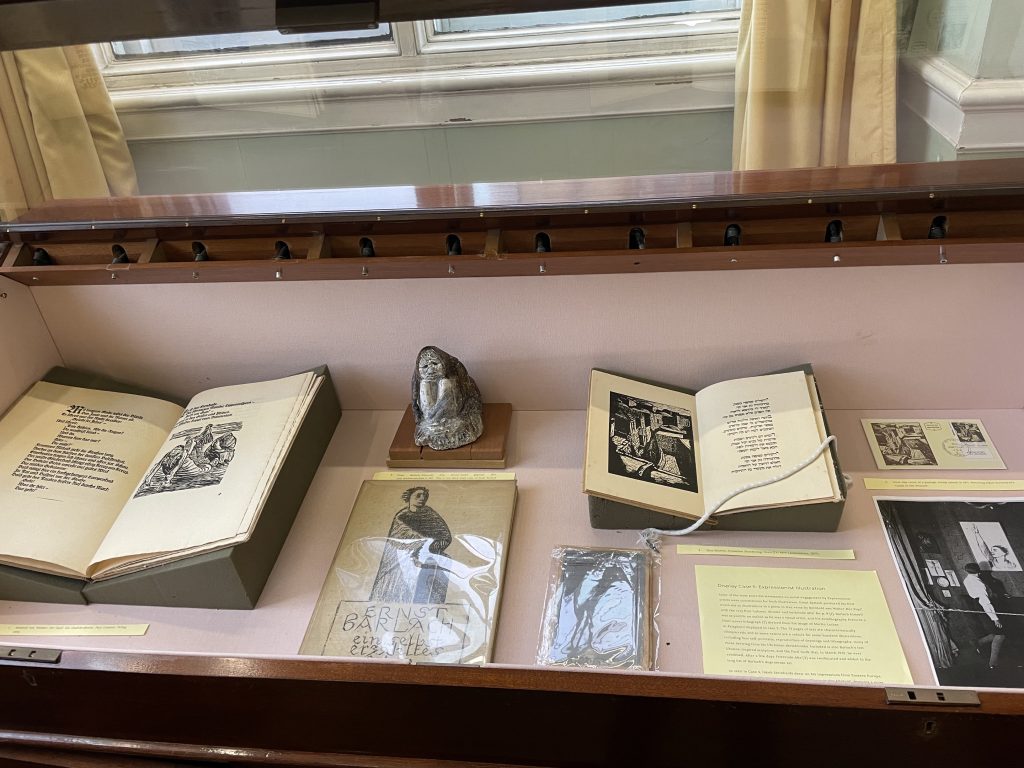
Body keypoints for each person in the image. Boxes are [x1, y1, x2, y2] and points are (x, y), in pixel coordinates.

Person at [369, 486, 453, 605]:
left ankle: (430, 606)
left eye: (424, 496)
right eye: (418, 495)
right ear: (409, 497)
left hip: (428, 552)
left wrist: (428, 549)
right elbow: (399, 537)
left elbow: (445, 536)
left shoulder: (430, 514)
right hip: (402, 552)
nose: (422, 498)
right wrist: (420, 544)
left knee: (444, 561)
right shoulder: (401, 516)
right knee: (406, 567)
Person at [411, 346, 483, 451]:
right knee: (425, 383)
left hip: (451, 416)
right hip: (431, 422)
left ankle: (439, 426)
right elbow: (419, 407)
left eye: (435, 364)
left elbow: (467, 398)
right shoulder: (421, 383)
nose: (430, 370)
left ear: (444, 364)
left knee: (446, 383)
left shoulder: (453, 375)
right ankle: (433, 425)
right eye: (425, 366)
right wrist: (430, 422)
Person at [962, 562, 1008, 668]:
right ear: (978, 572)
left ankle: (977, 643)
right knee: (1000, 635)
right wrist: (995, 619)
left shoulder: (967, 579)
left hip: (977, 606)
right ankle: (993, 663)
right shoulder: (978, 583)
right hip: (984, 607)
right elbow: (985, 602)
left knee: (994, 633)